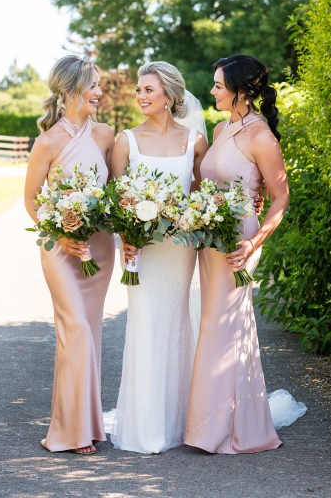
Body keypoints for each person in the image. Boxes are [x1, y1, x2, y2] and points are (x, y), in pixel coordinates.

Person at [184, 54, 306, 455]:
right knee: (214, 325)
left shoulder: (261, 136)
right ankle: (214, 420)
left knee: (227, 326)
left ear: (240, 91)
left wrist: (254, 243)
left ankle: (228, 428)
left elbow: (280, 198)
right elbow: (208, 186)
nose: (213, 91)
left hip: (239, 242)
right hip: (210, 239)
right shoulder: (221, 130)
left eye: (219, 85)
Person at [106, 61, 208, 453]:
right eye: (139, 89)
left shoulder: (194, 141)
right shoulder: (125, 140)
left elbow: (204, 197)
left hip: (179, 252)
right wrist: (124, 238)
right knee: (146, 326)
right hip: (142, 252)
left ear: (169, 96)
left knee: (177, 326)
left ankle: (179, 420)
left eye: (148, 90)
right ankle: (145, 427)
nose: (140, 96)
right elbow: (116, 201)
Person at [24, 55, 115, 455]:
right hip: (60, 249)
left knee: (89, 334)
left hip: (99, 248)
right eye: (93, 85)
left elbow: (117, 192)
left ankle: (88, 424)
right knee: (74, 329)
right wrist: (59, 235)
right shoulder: (48, 142)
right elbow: (30, 200)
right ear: (69, 90)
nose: (99, 92)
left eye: (99, 85)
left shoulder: (106, 135)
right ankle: (67, 430)